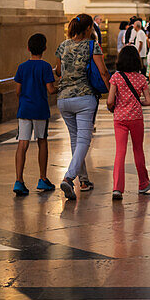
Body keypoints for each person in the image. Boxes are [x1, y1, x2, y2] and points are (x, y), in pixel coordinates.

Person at [54, 14, 109, 200]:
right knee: (84, 140)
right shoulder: (92, 45)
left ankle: (83, 180)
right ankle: (69, 178)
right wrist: (111, 93)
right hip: (84, 97)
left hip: (63, 99)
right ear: (88, 29)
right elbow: (102, 71)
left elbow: (59, 72)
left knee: (75, 140)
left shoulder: (63, 45)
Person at [12, 33, 57, 197]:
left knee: (22, 144)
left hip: (25, 110)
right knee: (42, 141)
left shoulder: (22, 67)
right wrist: (61, 86)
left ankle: (19, 180)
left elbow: (18, 90)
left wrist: (24, 101)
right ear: (45, 48)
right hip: (40, 110)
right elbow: (50, 90)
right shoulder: (45, 67)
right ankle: (43, 178)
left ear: (28, 48)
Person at [106, 45, 150, 200]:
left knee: (120, 151)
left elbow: (110, 100)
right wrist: (137, 102)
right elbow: (149, 101)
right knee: (138, 150)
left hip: (120, 119)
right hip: (136, 119)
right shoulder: (141, 78)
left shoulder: (116, 77)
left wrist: (113, 107)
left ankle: (117, 188)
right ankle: (143, 183)